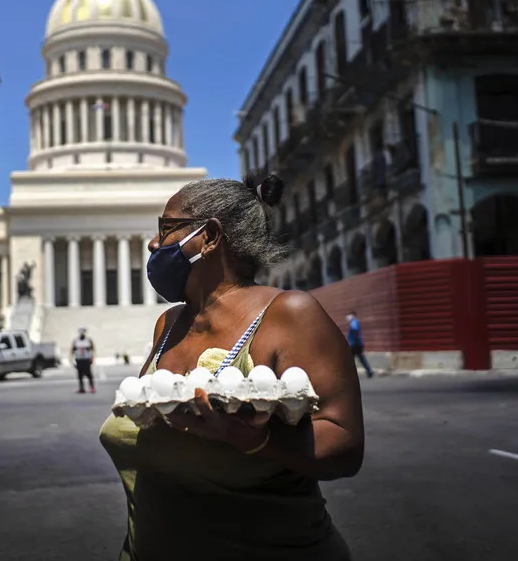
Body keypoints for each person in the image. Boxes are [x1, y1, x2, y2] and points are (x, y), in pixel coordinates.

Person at [99, 174, 364, 560]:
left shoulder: (289, 315)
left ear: (208, 237)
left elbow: (345, 445)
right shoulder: (170, 325)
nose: (154, 244)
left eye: (167, 228)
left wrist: (250, 437)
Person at [346, 311, 374, 378]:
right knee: (361, 358)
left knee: (349, 359)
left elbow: (355, 331)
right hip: (357, 344)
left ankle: (348, 373)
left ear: (353, 315)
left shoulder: (354, 322)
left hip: (355, 344)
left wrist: (355, 343)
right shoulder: (355, 322)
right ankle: (369, 371)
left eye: (349, 315)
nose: (348, 317)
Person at [72, 328, 96, 394]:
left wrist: (92, 358)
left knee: (89, 374)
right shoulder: (76, 341)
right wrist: (72, 360)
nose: (82, 334)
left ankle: (92, 387)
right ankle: (81, 388)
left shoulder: (88, 340)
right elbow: (72, 350)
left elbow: (93, 349)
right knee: (80, 374)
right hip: (79, 359)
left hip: (86, 359)